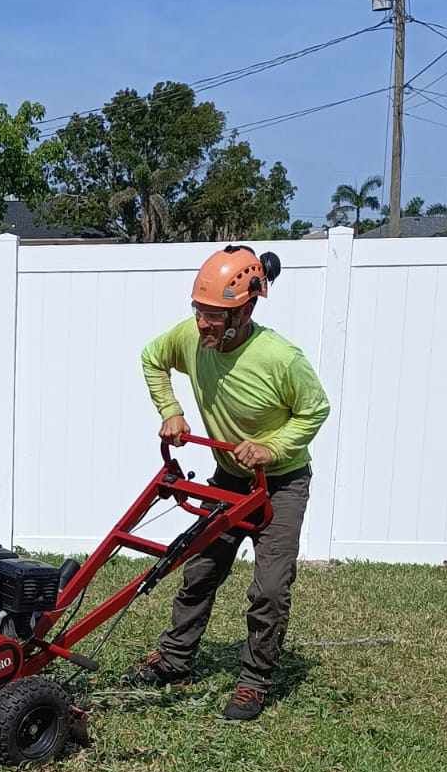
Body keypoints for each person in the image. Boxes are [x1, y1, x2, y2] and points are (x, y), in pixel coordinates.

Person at [136, 245, 330, 721]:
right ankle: (176, 658)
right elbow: (151, 358)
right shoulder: (190, 337)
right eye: (199, 311)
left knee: (268, 588)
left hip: (280, 485)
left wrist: (272, 447)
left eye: (214, 315)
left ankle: (254, 680)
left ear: (246, 309)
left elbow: (315, 410)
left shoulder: (280, 358)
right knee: (200, 572)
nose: (202, 323)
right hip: (229, 476)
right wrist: (172, 412)